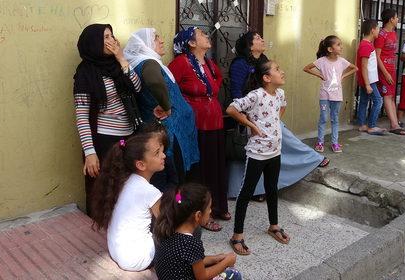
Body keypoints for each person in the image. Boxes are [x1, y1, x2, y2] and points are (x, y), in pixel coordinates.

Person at [227, 32, 327, 200]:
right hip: (248, 113)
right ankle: (312, 158)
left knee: (273, 146)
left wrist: (274, 116)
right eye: (258, 38)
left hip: (266, 112)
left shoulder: (264, 61)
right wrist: (246, 119)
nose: (262, 40)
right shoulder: (240, 64)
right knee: (247, 156)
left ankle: (309, 159)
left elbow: (274, 94)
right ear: (249, 45)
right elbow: (236, 91)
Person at [73, 23, 143, 215]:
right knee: (103, 190)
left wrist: (121, 59)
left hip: (127, 138)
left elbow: (137, 88)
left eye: (111, 36)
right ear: (93, 43)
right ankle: (100, 233)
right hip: (104, 141)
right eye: (105, 37)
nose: (111, 40)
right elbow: (81, 116)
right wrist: (89, 152)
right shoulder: (85, 73)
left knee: (125, 187)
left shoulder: (117, 64)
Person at [123, 28, 200, 192]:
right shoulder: (148, 62)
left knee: (174, 179)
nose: (161, 41)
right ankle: (173, 211)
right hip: (167, 133)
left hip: (170, 131)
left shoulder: (146, 62)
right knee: (174, 179)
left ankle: (174, 209)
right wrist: (166, 107)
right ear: (145, 44)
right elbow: (154, 82)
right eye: (156, 38)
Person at [226, 60, 290, 256]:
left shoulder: (280, 94)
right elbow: (231, 109)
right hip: (257, 152)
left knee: (272, 188)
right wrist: (252, 126)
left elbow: (282, 107)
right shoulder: (256, 95)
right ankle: (237, 236)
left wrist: (274, 123)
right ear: (266, 78)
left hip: (275, 151)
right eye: (278, 69)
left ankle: (274, 225)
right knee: (246, 192)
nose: (282, 71)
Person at [169, 27, 229, 231]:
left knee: (215, 165)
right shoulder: (180, 63)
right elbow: (169, 87)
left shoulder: (210, 63)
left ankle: (217, 206)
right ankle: (200, 213)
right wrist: (185, 105)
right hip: (194, 125)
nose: (207, 36)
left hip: (215, 122)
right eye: (202, 34)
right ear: (191, 43)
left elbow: (218, 81)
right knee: (200, 170)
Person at [90, 125, 166, 272]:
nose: (163, 155)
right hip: (138, 259)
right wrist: (180, 196)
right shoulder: (151, 192)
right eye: (157, 153)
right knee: (188, 229)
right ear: (141, 164)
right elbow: (168, 226)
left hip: (117, 252)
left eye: (162, 150)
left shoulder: (125, 181)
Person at [153, 183, 240, 280]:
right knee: (234, 274)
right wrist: (226, 262)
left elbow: (193, 261)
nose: (210, 211)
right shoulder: (191, 243)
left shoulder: (167, 231)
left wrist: (217, 258)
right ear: (198, 215)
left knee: (216, 265)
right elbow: (202, 277)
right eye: (209, 208)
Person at [303, 35, 357, 153]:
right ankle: (320, 142)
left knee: (335, 119)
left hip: (337, 96)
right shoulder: (321, 61)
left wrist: (343, 76)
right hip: (324, 95)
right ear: (330, 49)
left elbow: (355, 68)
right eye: (338, 45)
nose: (341, 47)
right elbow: (306, 68)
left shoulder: (342, 61)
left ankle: (335, 143)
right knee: (323, 118)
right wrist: (319, 75)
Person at [375, 9, 405, 136]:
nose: (398, 19)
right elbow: (377, 56)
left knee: (391, 95)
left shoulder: (394, 33)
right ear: (391, 19)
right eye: (396, 17)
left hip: (392, 69)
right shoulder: (381, 35)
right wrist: (385, 73)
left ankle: (395, 123)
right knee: (387, 96)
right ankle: (394, 125)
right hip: (384, 70)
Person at [356, 19, 385, 135]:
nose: (379, 31)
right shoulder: (366, 45)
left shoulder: (366, 44)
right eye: (378, 28)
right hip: (369, 80)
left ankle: (362, 125)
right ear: (372, 30)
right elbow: (364, 66)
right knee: (378, 101)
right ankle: (371, 125)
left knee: (363, 101)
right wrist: (368, 84)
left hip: (367, 80)